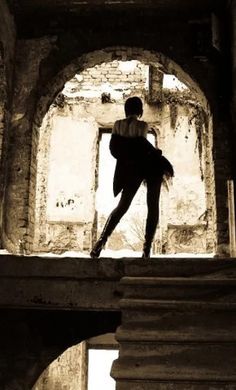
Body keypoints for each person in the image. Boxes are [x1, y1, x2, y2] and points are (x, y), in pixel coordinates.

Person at [90, 96, 174, 259]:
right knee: (153, 206)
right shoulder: (142, 125)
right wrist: (155, 154)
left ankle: (100, 242)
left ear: (126, 110)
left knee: (122, 206)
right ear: (140, 111)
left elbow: (115, 150)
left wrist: (129, 154)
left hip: (130, 169)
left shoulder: (117, 125)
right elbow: (141, 148)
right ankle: (146, 249)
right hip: (149, 167)